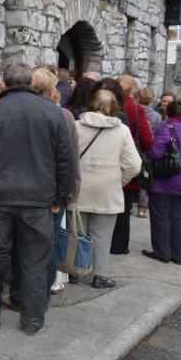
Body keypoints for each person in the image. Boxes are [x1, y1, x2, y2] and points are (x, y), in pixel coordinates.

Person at [0, 62, 76, 336]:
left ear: (3, 84)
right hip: (37, 199)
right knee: (35, 260)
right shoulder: (53, 113)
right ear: (30, 81)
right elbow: (67, 162)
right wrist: (60, 197)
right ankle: (32, 319)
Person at [74, 90, 142, 288]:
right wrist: (120, 180)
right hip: (108, 188)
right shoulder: (122, 131)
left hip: (79, 186)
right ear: (114, 107)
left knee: (76, 231)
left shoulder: (76, 126)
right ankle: (100, 275)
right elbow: (133, 165)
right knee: (102, 236)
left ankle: (74, 272)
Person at [143, 99, 181, 264]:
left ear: (170, 112)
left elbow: (156, 153)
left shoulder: (167, 127)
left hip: (167, 176)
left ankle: (162, 252)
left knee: (160, 214)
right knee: (178, 216)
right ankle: (177, 254)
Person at [111, 75, 153, 255]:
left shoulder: (102, 104)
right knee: (124, 208)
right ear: (131, 90)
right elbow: (147, 139)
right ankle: (119, 246)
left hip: (104, 165)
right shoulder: (135, 109)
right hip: (127, 163)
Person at [135, 88, 162, 219]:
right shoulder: (157, 116)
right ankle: (142, 208)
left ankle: (128, 204)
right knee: (145, 177)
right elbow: (157, 133)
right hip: (147, 148)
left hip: (134, 146)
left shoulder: (132, 111)